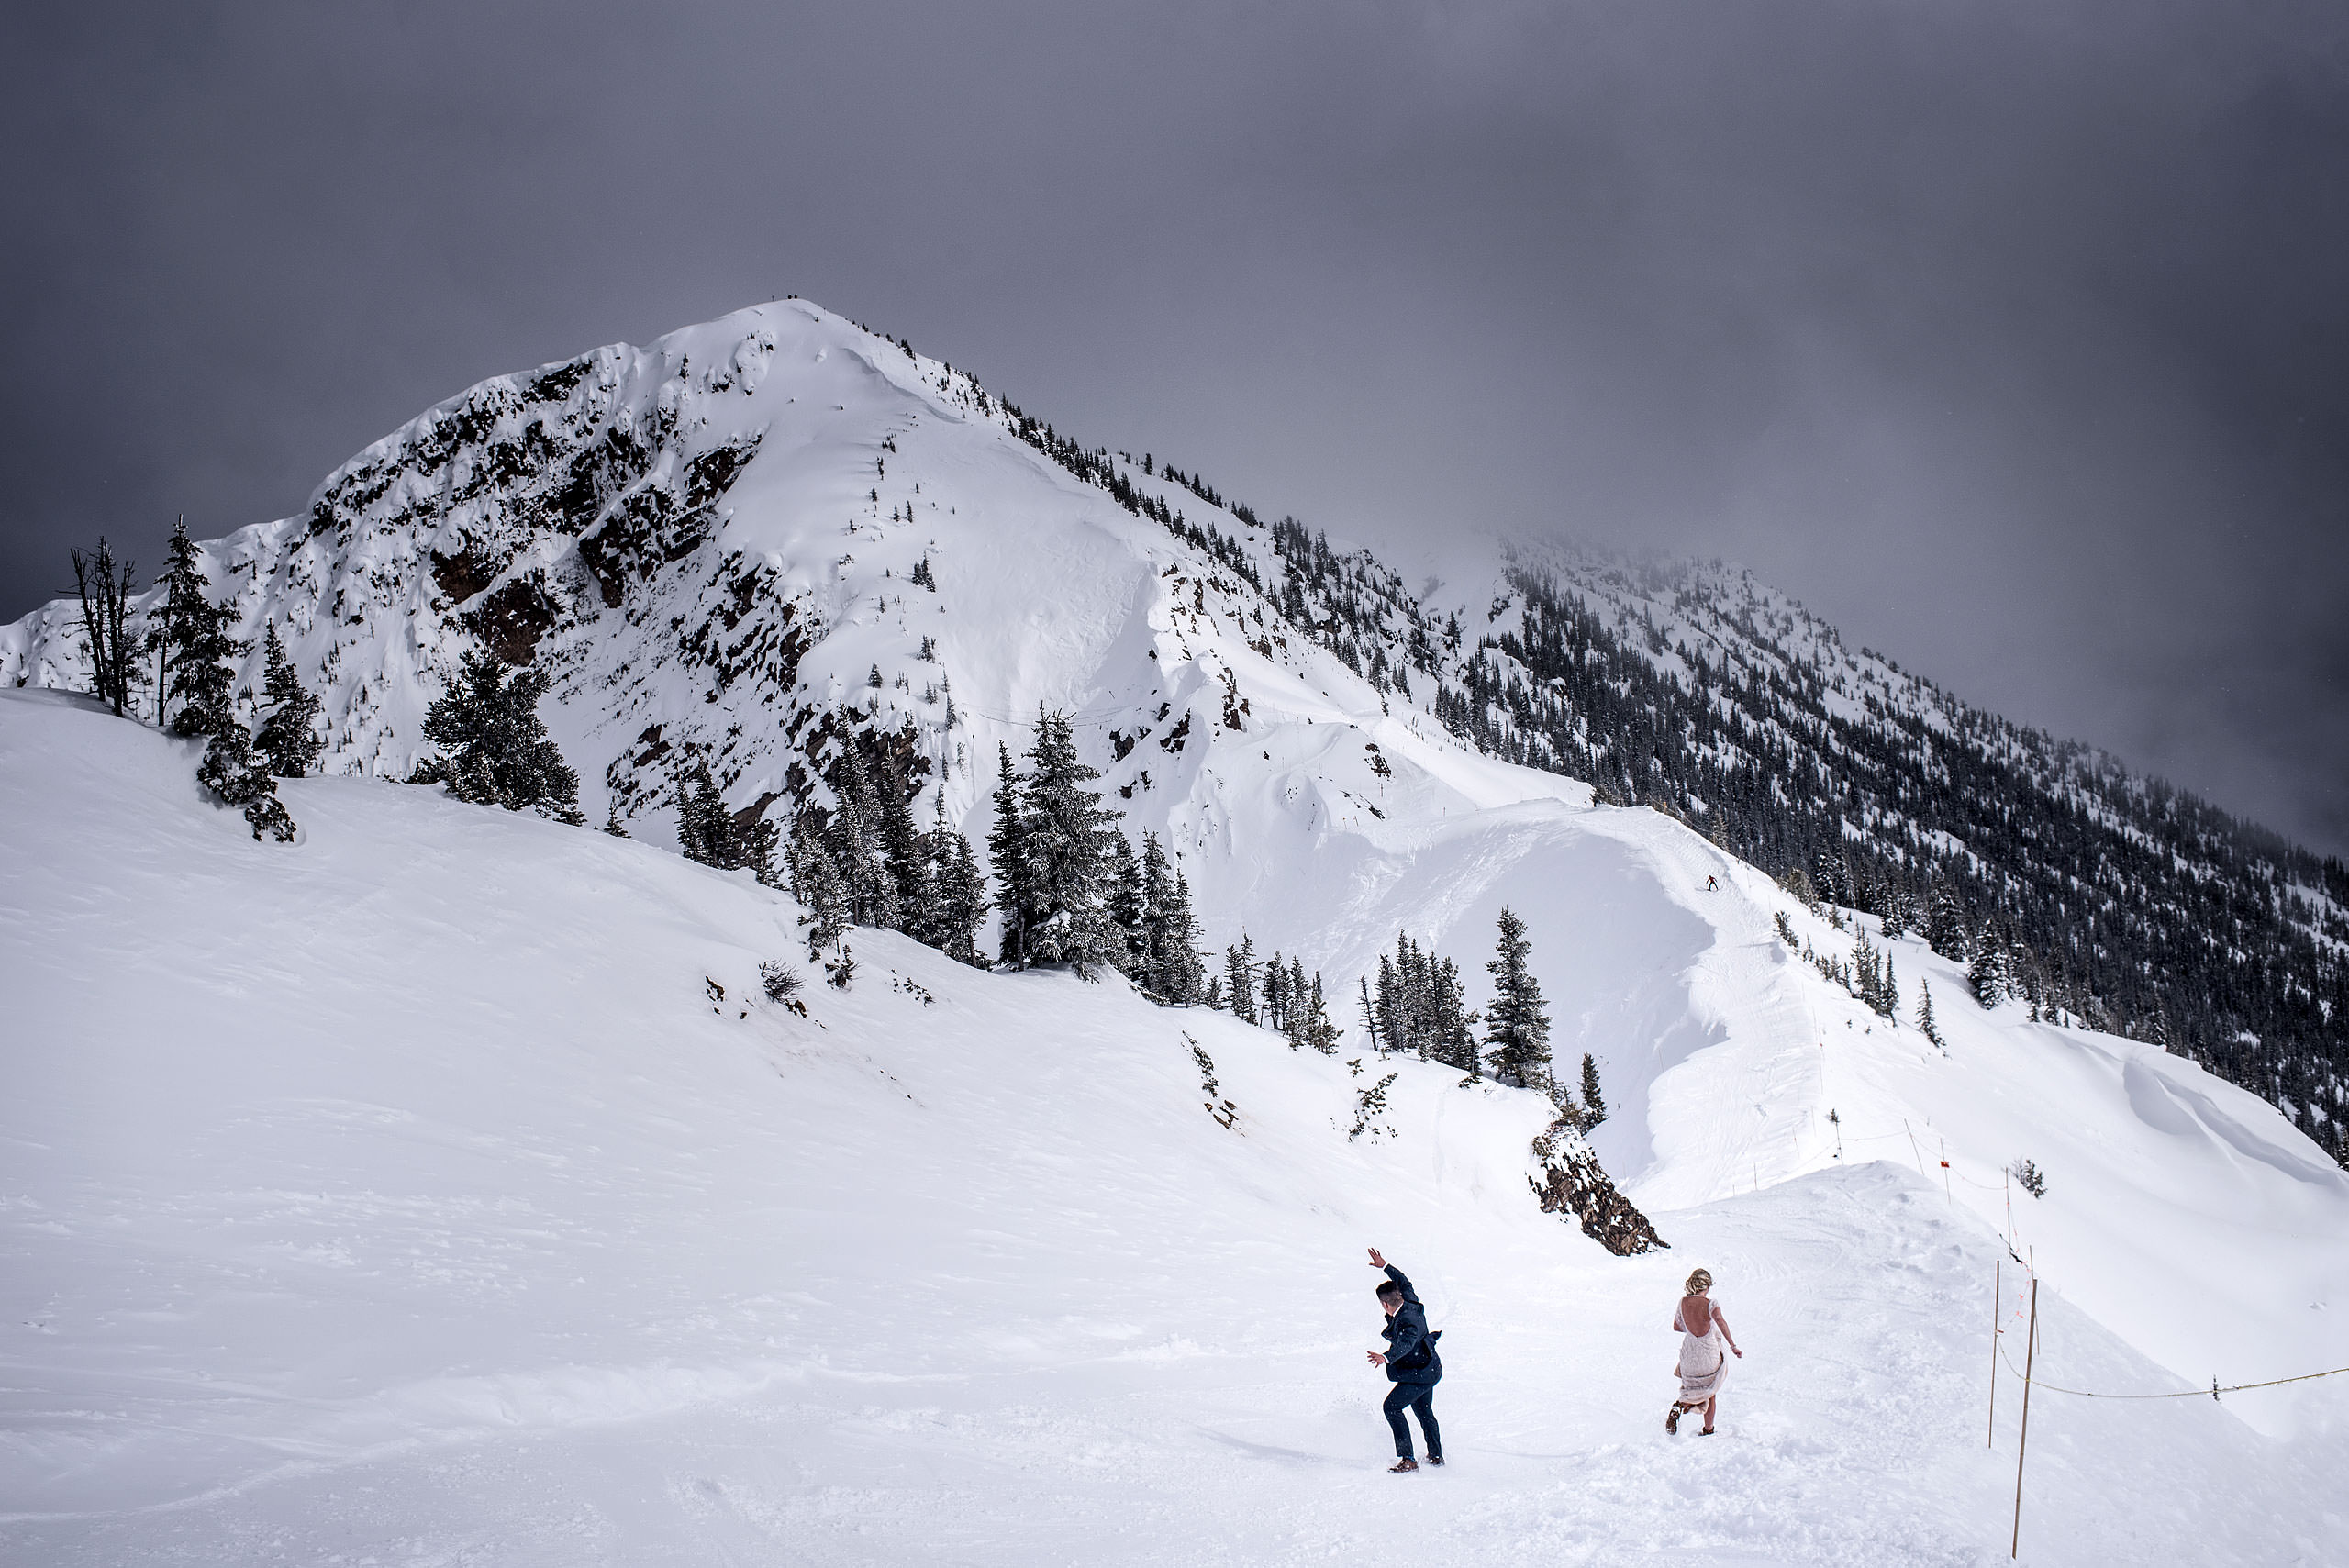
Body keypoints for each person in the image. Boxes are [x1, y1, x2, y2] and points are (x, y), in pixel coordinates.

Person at [1364, 1247, 1443, 1472]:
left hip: (1419, 1373)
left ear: (1385, 1305)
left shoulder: (1407, 1320)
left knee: (1391, 1407)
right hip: (1429, 1368)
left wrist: (1386, 1357)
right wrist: (1385, 1266)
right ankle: (1436, 1456)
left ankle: (1409, 1459)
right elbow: (1405, 1281)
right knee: (1424, 1411)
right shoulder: (1409, 1300)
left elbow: (1406, 1344)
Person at [1666, 1266, 1741, 1435]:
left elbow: (1677, 1326)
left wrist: (1692, 1323)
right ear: (1706, 1286)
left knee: (1692, 1387)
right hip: (1708, 1353)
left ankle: (1680, 1405)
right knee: (1710, 1391)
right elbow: (1720, 1321)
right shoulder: (1711, 1303)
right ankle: (1708, 1430)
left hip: (1689, 1354)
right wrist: (1733, 1346)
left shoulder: (1683, 1302)